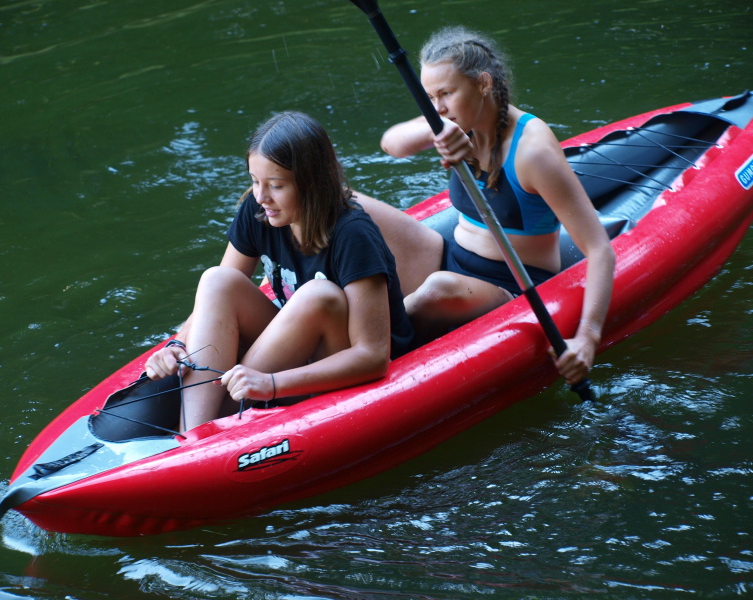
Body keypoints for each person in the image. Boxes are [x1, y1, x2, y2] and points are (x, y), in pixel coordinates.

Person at [358, 25, 615, 387]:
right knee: (352, 204)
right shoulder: (448, 120)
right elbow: (391, 143)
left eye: (446, 93)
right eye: (430, 97)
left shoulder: (532, 151)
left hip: (511, 283)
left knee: (436, 289)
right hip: (451, 256)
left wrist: (587, 338)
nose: (438, 107)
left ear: (482, 83)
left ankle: (358, 350)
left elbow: (600, 249)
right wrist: (434, 131)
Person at [144, 111, 414, 431]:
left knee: (319, 296)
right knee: (217, 279)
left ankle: (223, 417)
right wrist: (175, 346)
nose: (261, 196)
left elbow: (373, 356)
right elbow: (212, 302)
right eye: (255, 181)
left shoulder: (354, 234)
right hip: (294, 352)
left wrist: (270, 383)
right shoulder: (258, 210)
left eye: (276, 185)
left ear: (312, 183)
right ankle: (193, 434)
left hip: (341, 369)